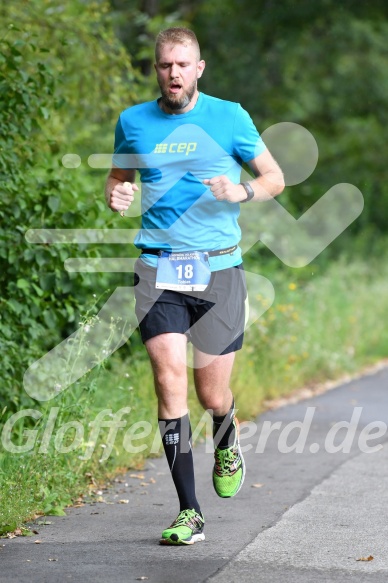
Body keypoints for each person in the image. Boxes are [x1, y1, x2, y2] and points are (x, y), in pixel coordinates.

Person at [105, 27, 284, 545]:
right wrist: (117, 195)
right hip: (157, 267)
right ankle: (189, 511)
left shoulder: (230, 116)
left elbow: (275, 177)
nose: (174, 73)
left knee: (212, 393)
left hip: (219, 270)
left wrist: (242, 189)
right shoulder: (133, 121)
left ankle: (226, 437)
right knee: (167, 381)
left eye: (183, 65)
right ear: (156, 69)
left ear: (199, 68)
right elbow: (119, 178)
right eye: (166, 66)